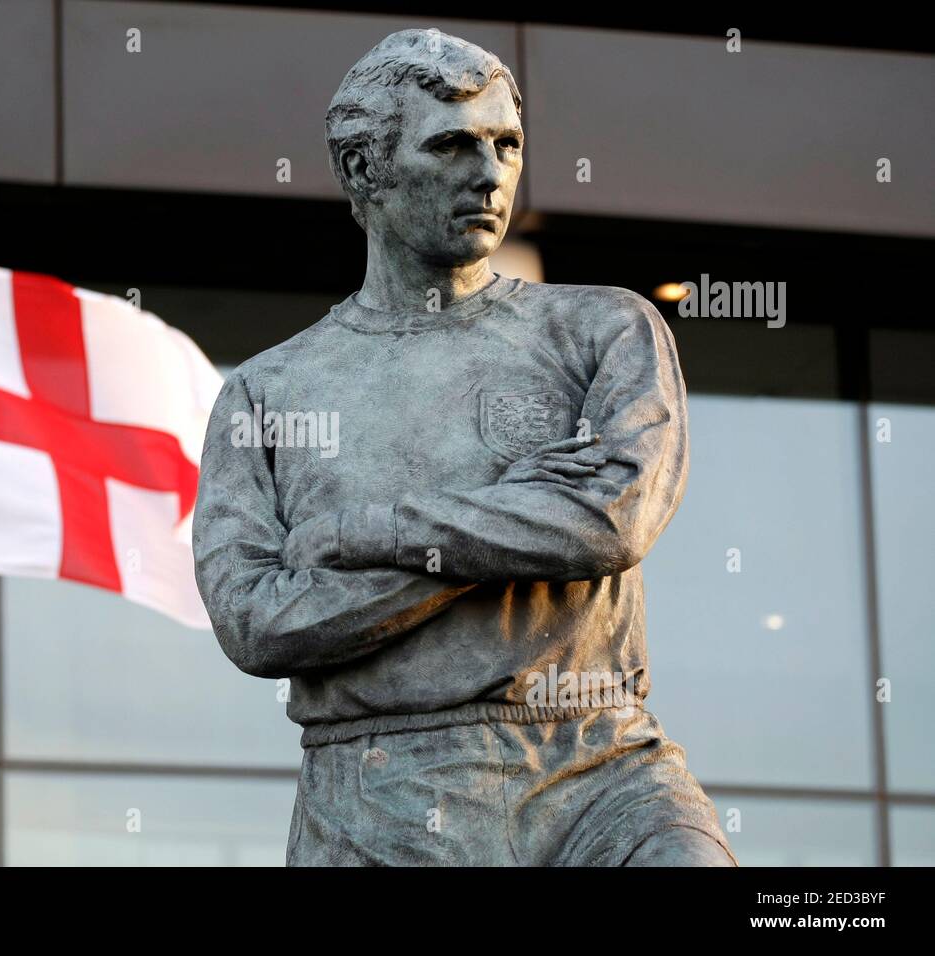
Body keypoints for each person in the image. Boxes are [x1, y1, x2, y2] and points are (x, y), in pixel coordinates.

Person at [193, 28, 736, 866]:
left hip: (603, 769)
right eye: (450, 145)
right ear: (361, 170)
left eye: (506, 143)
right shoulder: (269, 393)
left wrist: (374, 532)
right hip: (379, 793)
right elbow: (258, 624)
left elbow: (609, 522)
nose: (489, 173)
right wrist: (521, 520)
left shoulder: (605, 327)